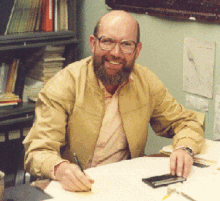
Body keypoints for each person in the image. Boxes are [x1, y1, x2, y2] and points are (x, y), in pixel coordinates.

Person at [23, 10, 205, 192]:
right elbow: (38, 151)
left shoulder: (146, 82)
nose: (116, 53)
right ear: (93, 44)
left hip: (123, 186)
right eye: (107, 41)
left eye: (126, 44)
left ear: (137, 50)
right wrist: (60, 168)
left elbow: (186, 122)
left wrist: (185, 149)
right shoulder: (63, 84)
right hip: (73, 189)